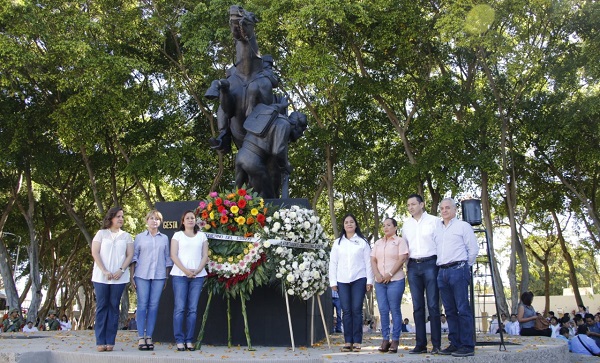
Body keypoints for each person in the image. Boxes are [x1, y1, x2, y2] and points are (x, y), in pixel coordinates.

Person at [434, 198, 479, 357]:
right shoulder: (437, 229)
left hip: (458, 269)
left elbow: (473, 249)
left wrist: (465, 267)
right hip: (442, 271)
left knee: (462, 308)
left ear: (454, 210)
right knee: (450, 310)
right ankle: (455, 343)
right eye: (442, 208)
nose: (444, 210)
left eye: (447, 208)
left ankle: (467, 345)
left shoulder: (463, 226)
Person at [402, 194, 441, 354]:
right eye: (408, 205)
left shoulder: (434, 221)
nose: (410, 207)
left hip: (431, 263)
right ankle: (420, 344)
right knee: (417, 307)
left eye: (413, 204)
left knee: (433, 305)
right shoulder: (406, 225)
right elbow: (405, 247)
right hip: (413, 266)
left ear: (422, 204)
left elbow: (440, 243)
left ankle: (437, 345)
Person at [91, 206, 134, 352]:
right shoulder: (101, 234)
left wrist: (121, 270)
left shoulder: (126, 236)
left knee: (114, 307)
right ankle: (100, 341)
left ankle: (110, 341)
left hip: (119, 278)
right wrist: (104, 270)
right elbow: (95, 252)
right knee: (102, 307)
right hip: (101, 277)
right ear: (111, 218)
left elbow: (130, 255)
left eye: (122, 216)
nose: (121, 219)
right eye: (118, 216)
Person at [329, 213, 373, 352]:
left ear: (355, 225)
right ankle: (348, 341)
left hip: (359, 279)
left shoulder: (362, 242)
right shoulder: (337, 243)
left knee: (356, 310)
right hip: (342, 280)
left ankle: (357, 341)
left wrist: (369, 281)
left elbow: (368, 262)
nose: (349, 224)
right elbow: (333, 263)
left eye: (351, 222)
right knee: (346, 311)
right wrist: (333, 282)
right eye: (346, 222)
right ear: (343, 225)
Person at [131, 209, 173, 351]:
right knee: (142, 305)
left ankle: (149, 336)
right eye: (151, 218)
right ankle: (140, 338)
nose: (154, 221)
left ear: (160, 222)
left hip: (159, 275)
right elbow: (134, 257)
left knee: (154, 306)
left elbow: (167, 258)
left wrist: (166, 276)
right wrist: (132, 276)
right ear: (147, 220)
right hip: (142, 275)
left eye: (157, 219)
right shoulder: (139, 237)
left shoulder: (164, 238)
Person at [170, 210, 209, 352]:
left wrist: (198, 270)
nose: (190, 220)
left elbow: (205, 255)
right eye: (188, 218)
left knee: (192, 309)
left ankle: (189, 340)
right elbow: (173, 255)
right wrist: (186, 271)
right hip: (180, 275)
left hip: (198, 276)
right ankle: (179, 340)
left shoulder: (202, 236)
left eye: (192, 218)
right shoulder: (177, 235)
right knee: (180, 308)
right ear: (183, 221)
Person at [370, 217, 408, 353]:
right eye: (384, 225)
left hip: (395, 280)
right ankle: (385, 339)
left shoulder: (400, 241)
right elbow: (373, 259)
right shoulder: (378, 243)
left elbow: (402, 258)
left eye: (389, 225)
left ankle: (395, 340)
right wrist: (377, 275)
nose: (386, 228)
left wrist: (390, 274)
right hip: (380, 282)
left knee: (395, 309)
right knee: (383, 310)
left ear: (395, 227)